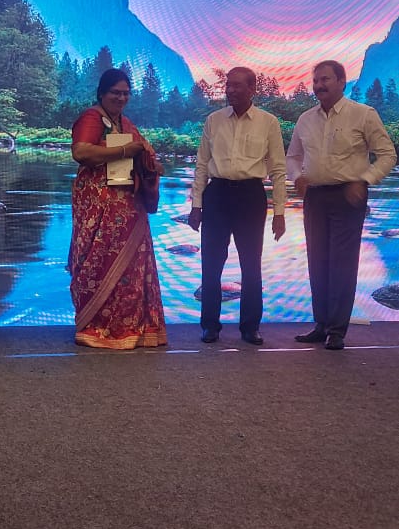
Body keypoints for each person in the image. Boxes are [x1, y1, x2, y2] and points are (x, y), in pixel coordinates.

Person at [287, 59, 396, 350]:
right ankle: (321, 325)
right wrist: (297, 177)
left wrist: (364, 180)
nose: (318, 85)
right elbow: (293, 157)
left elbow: (387, 155)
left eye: (325, 79)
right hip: (315, 197)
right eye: (315, 81)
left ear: (341, 82)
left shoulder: (363, 114)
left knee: (343, 264)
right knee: (317, 262)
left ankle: (337, 330)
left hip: (349, 196)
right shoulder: (305, 119)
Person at [69, 68, 167, 349]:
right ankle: (98, 328)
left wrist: (151, 166)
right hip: (98, 205)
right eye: (115, 92)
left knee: (132, 267)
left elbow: (145, 152)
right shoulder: (92, 117)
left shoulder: (125, 123)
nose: (121, 98)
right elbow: (81, 152)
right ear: (102, 93)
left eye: (126, 93)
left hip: (127, 207)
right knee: (96, 261)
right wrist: (123, 151)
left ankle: (130, 328)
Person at [188, 66, 286, 345]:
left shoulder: (268, 122)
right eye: (228, 85)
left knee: (251, 264)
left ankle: (250, 327)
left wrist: (279, 212)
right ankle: (210, 326)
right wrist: (196, 205)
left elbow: (278, 169)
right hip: (217, 194)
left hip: (250, 196)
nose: (229, 90)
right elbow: (202, 165)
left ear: (252, 89)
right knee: (211, 263)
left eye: (236, 85)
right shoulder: (214, 120)